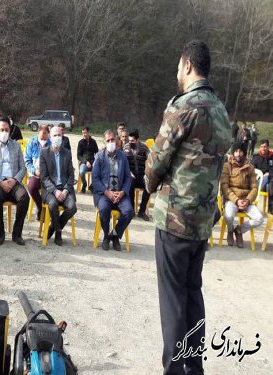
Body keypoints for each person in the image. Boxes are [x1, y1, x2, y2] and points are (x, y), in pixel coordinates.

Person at [144, 40, 231, 375]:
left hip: (175, 219)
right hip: (202, 222)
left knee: (172, 301)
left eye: (179, 67)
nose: (177, 72)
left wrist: (150, 186)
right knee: (192, 295)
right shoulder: (221, 110)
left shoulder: (184, 106)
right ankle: (193, 369)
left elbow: (157, 160)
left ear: (188, 65)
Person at [0, 116, 29, 245]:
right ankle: (0, 233)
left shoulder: (16, 146)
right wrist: (0, 182)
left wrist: (15, 180)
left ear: (10, 130)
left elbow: (22, 167)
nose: (4, 132)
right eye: (2, 129)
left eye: (7, 130)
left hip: (13, 181)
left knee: (24, 197)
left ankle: (16, 233)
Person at [92, 130, 134, 251]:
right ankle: (106, 235)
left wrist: (123, 192)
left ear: (116, 140)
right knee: (104, 209)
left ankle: (115, 235)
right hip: (104, 193)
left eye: (112, 140)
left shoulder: (123, 157)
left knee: (129, 212)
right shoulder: (99, 156)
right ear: (105, 142)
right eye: (108, 140)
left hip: (120, 193)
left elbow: (127, 177)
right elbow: (95, 178)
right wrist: (107, 192)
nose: (111, 142)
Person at [39, 126, 77, 246]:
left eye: (59, 135)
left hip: (65, 189)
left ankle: (54, 227)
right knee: (53, 204)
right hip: (50, 190)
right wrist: (55, 191)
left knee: (72, 207)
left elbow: (71, 176)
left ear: (63, 136)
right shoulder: (44, 153)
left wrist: (65, 191)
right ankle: (58, 232)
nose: (57, 138)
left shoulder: (67, 153)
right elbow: (44, 178)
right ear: (50, 137)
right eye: (55, 135)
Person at [221, 143, 263, 248]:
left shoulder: (250, 167)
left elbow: (254, 188)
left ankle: (239, 230)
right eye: (236, 151)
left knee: (259, 219)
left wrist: (248, 200)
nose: (238, 154)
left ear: (244, 153)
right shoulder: (227, 166)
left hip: (246, 200)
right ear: (233, 152)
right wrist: (236, 200)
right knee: (229, 215)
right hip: (232, 200)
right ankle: (230, 231)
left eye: (240, 151)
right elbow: (224, 187)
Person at [24, 124, 51, 220]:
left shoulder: (51, 143)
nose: (44, 137)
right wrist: (34, 171)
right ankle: (40, 207)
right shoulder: (32, 142)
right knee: (31, 187)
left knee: (51, 188)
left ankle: (49, 210)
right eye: (42, 134)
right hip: (35, 173)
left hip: (48, 175)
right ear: (38, 132)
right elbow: (27, 160)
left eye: (46, 134)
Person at [123, 130, 151, 221]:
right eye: (129, 140)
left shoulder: (144, 148)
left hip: (141, 176)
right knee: (130, 183)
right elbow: (122, 163)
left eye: (132, 141)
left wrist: (146, 174)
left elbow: (151, 161)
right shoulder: (125, 147)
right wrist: (128, 173)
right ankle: (131, 210)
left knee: (148, 185)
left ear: (137, 140)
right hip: (131, 176)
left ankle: (142, 211)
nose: (130, 142)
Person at [77, 126, 98, 193]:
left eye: (85, 133)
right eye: (83, 133)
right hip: (84, 162)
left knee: (97, 171)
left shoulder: (93, 141)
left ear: (88, 133)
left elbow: (97, 152)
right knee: (82, 172)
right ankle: (85, 184)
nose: (84, 134)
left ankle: (91, 185)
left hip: (93, 161)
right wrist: (86, 162)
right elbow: (78, 156)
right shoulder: (80, 142)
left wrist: (95, 161)